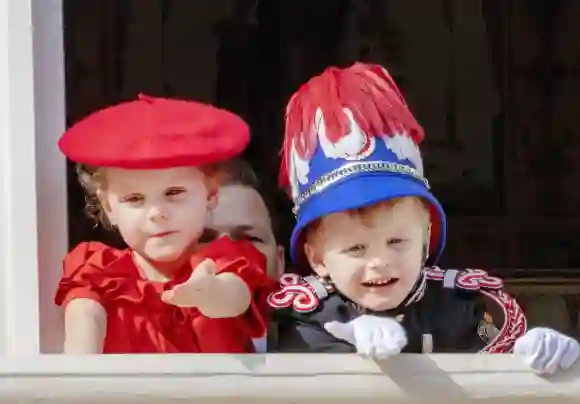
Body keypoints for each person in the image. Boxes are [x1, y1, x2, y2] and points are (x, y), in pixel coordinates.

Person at [267, 62, 580, 376]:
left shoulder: (458, 306)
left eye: (396, 242)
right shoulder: (303, 314)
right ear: (318, 258)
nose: (379, 261)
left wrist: (532, 354)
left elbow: (492, 359)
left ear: (426, 237)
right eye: (356, 249)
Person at [55, 94, 275, 354]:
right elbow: (83, 332)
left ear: (211, 194)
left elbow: (236, 296)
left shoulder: (226, 260)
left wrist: (212, 294)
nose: (157, 213)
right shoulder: (97, 271)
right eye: (134, 199)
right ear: (109, 208)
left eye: (174, 193)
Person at [201, 159, 285, 352]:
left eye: (248, 238)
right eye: (204, 239)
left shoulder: (330, 338)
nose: (228, 255)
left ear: (280, 261)